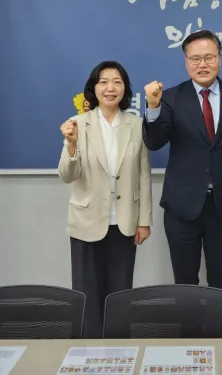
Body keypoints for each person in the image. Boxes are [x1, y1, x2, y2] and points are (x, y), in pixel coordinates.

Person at [142, 30, 222, 290]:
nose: (202, 64)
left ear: (220, 59)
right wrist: (152, 107)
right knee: (185, 282)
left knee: (221, 280)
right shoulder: (170, 98)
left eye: (209, 57)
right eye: (195, 59)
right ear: (186, 61)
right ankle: (189, 319)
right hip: (182, 206)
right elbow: (154, 142)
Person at [58, 61, 152, 338]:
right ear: (94, 88)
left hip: (124, 221)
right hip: (86, 221)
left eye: (117, 82)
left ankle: (119, 348)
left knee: (120, 292)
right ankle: (89, 348)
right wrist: (71, 144)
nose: (110, 88)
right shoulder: (78, 123)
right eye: (104, 82)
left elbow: (143, 175)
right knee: (87, 291)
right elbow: (67, 175)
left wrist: (144, 220)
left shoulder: (136, 124)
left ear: (125, 89)